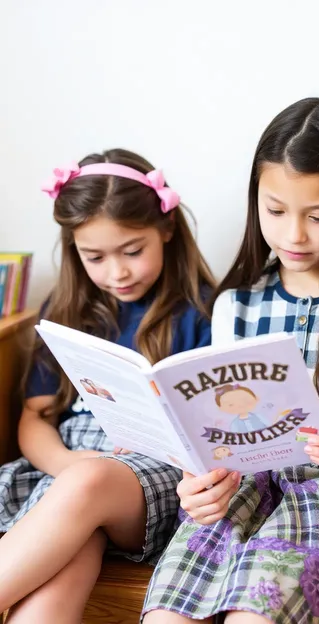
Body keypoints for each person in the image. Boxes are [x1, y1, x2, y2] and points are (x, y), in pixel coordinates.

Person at [142, 98, 319, 623]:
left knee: (256, 614)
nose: (294, 235)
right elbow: (218, 442)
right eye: (275, 211)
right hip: (251, 492)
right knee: (168, 614)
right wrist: (202, 485)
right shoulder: (237, 305)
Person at [0, 148, 214, 623]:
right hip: (69, 471)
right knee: (66, 562)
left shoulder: (201, 310)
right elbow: (35, 415)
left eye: (132, 251)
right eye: (94, 256)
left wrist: (82, 473)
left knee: (89, 484)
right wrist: (66, 464)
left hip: (156, 478)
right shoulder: (66, 308)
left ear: (167, 229)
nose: (116, 272)